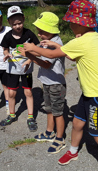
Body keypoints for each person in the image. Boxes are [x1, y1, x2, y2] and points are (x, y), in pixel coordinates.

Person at [23, 0, 98, 171]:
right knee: (76, 123)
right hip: (89, 93)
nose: (69, 24)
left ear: (81, 23)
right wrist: (53, 44)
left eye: (71, 22)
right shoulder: (94, 37)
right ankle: (73, 151)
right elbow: (68, 52)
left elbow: (52, 55)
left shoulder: (81, 42)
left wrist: (33, 48)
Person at [19, 12, 66, 152]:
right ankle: (49, 131)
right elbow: (41, 53)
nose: (39, 34)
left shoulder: (55, 44)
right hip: (47, 82)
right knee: (49, 109)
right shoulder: (48, 41)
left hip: (56, 84)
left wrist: (30, 56)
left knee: (57, 112)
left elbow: (46, 64)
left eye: (41, 31)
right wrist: (30, 53)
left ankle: (59, 138)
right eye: (38, 31)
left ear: (51, 30)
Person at [0, 6, 40, 132]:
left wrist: (30, 59)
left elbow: (37, 48)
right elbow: (5, 48)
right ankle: (12, 115)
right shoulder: (7, 36)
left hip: (26, 69)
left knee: (28, 92)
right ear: (9, 22)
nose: (17, 26)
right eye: (14, 24)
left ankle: (30, 117)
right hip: (12, 69)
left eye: (20, 23)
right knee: (11, 93)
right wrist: (6, 53)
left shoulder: (29, 34)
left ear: (23, 19)